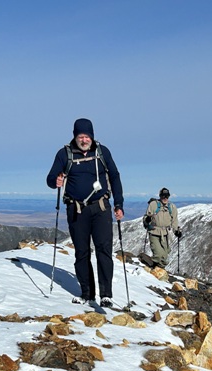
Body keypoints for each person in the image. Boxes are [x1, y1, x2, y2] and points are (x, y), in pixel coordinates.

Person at [47, 118, 124, 308]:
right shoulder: (64, 154)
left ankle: (106, 295)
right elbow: (50, 177)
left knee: (103, 250)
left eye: (87, 136)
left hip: (101, 208)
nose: (84, 140)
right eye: (80, 136)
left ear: (92, 136)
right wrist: (54, 181)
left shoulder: (102, 152)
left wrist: (119, 204)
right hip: (77, 209)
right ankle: (87, 293)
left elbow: (114, 176)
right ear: (75, 136)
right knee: (82, 253)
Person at [142, 187, 181, 268]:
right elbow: (146, 218)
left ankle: (159, 270)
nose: (165, 198)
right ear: (160, 196)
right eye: (163, 196)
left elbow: (174, 220)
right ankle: (155, 269)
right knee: (158, 254)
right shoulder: (153, 205)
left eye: (167, 196)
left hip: (165, 234)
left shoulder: (172, 207)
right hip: (154, 232)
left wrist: (176, 230)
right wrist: (147, 219)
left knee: (164, 255)